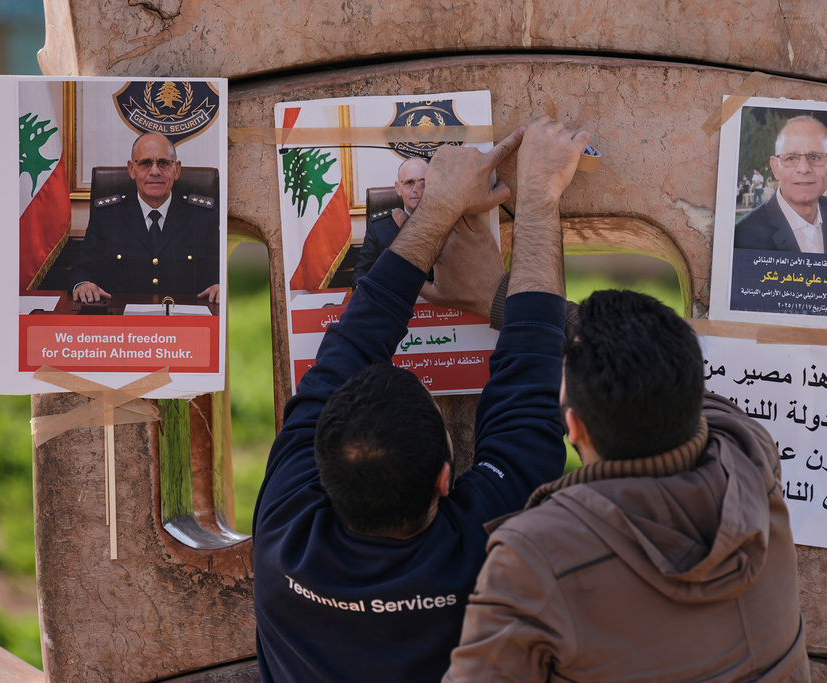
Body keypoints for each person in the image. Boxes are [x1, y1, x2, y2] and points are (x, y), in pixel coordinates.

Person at [253, 117, 591, 682]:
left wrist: (439, 212)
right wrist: (536, 196)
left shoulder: (284, 539)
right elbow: (529, 374)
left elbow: (354, 341)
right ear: (444, 478)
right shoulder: (486, 559)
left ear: (322, 468)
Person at [444, 290, 810, 682]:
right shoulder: (749, 448)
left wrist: (506, 298)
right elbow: (657, 368)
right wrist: (499, 293)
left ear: (573, 429)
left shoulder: (537, 553)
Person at [70, 132, 220, 304]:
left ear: (176, 170)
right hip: (122, 325)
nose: (154, 171)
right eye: (145, 163)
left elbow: (219, 271)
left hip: (186, 322)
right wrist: (83, 284)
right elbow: (82, 270)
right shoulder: (107, 216)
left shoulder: (202, 216)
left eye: (163, 163)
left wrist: (221, 284)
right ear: (132, 169)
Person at [735, 116, 827, 255]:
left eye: (814, 157)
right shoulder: (744, 236)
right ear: (776, 168)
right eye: (791, 158)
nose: (804, 168)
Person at [349, 156, 429, 289]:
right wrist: (366, 290)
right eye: (409, 182)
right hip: (392, 300)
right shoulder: (379, 226)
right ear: (398, 188)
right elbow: (361, 271)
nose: (416, 189)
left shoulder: (447, 222)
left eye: (423, 182)